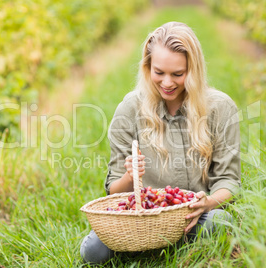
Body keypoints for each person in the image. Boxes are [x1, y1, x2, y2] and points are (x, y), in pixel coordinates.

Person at [80, 21, 241, 264]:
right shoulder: (129, 109)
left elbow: (229, 181)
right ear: (147, 67)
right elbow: (114, 189)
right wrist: (131, 176)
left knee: (220, 223)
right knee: (94, 251)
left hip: (192, 218)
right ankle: (146, 243)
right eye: (159, 73)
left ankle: (163, 245)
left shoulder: (220, 107)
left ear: (194, 70)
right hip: (142, 220)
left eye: (178, 74)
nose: (167, 83)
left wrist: (207, 203)